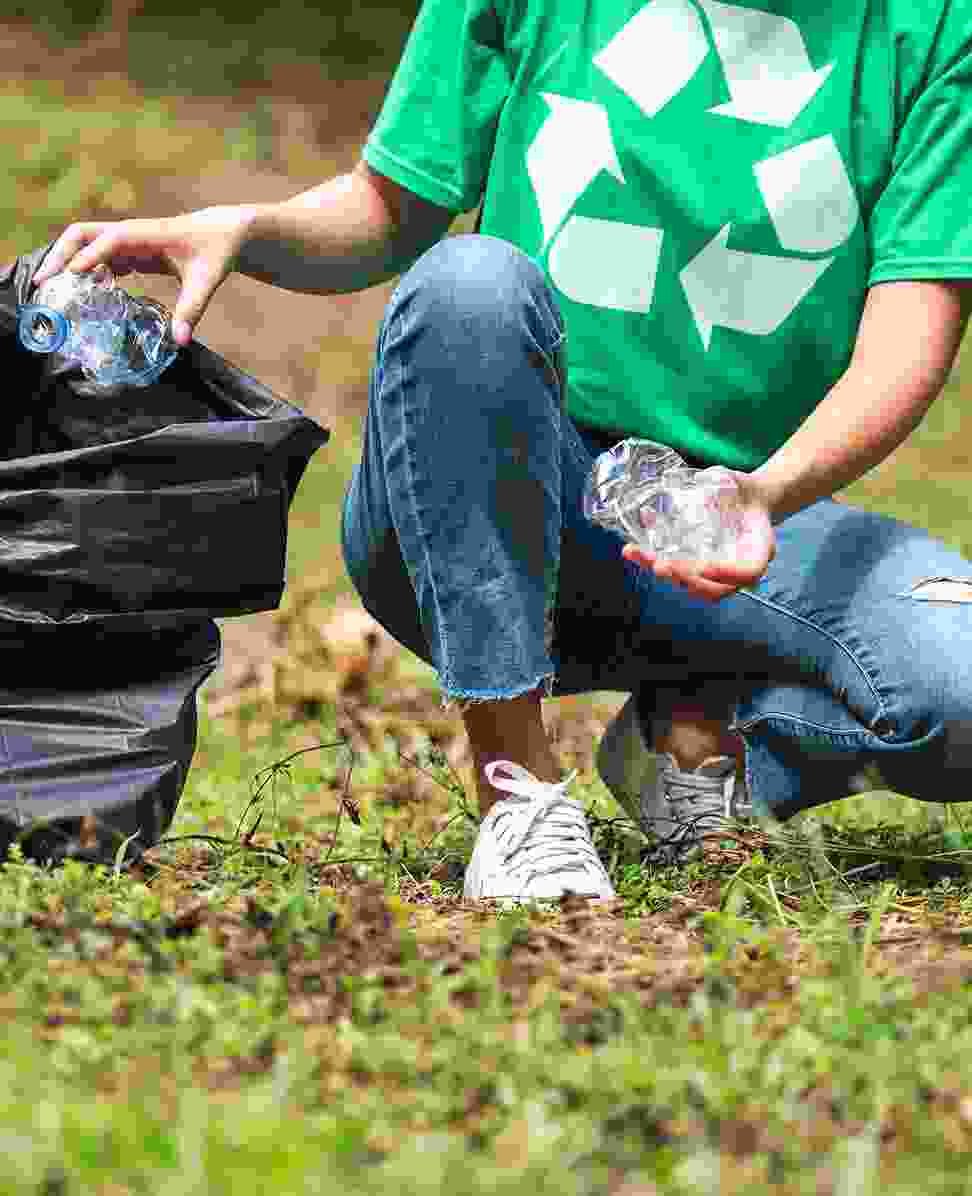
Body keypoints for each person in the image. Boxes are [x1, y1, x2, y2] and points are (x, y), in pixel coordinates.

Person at [36, 0, 972, 900]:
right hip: (490, 494)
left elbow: (909, 336)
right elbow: (384, 211)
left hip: (731, 526)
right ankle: (516, 790)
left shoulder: (935, 24)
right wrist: (246, 230)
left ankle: (701, 739)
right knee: (468, 283)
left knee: (958, 692)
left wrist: (768, 493)